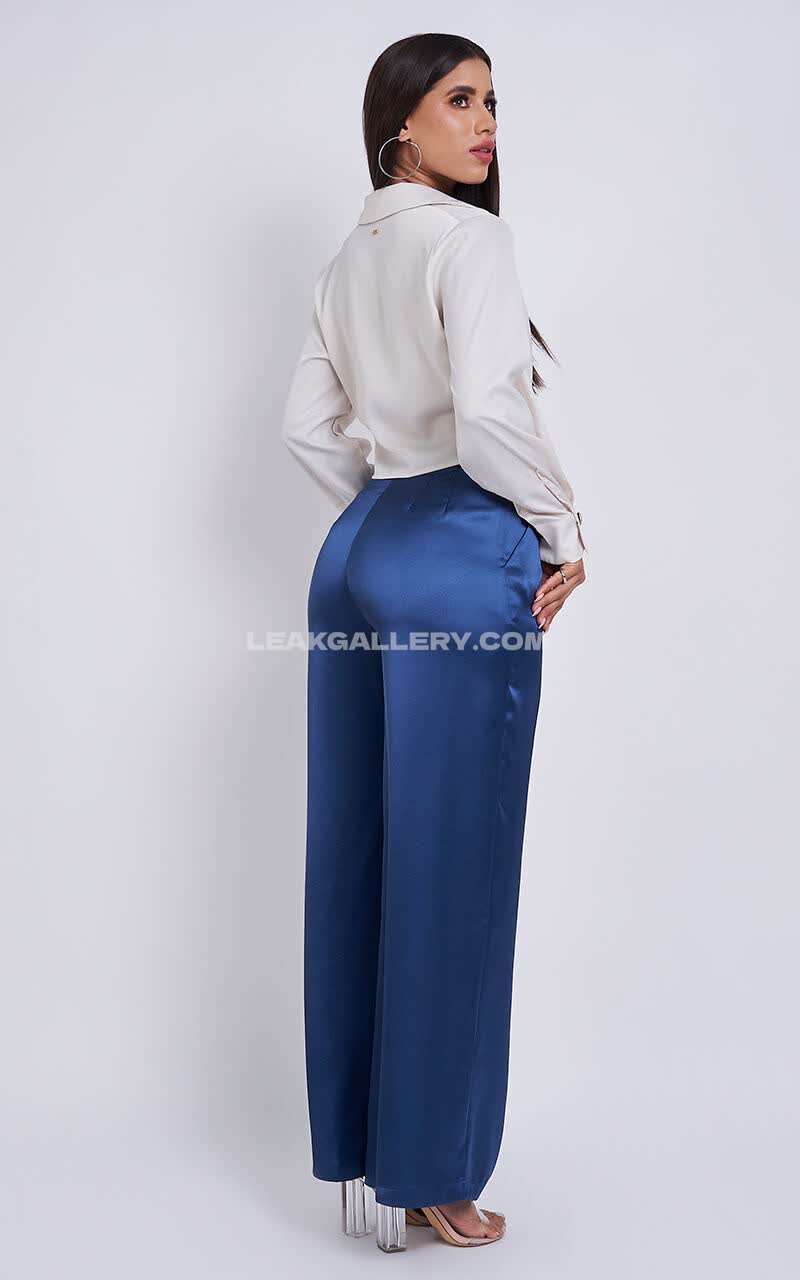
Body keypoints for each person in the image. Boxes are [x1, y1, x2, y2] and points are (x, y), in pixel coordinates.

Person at [280, 32, 587, 1252]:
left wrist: (381, 522)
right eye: (459, 100)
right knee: (452, 863)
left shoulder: (343, 260)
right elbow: (491, 406)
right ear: (399, 122)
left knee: (356, 846)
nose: (485, 121)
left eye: (491, 100)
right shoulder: (468, 241)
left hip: (357, 549)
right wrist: (560, 527)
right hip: (458, 545)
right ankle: (435, 1171)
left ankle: (360, 1152)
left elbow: (307, 429)